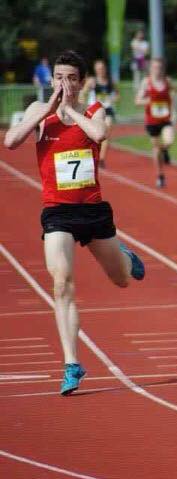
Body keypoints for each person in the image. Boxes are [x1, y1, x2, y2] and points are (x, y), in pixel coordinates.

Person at [3, 50, 145, 396]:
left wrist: (71, 113)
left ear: (81, 83)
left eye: (70, 78)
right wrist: (51, 111)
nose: (63, 84)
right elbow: (10, 141)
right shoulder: (40, 112)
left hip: (92, 211)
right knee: (62, 282)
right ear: (51, 81)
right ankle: (71, 363)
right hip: (58, 212)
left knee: (122, 280)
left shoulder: (93, 110)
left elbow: (99, 134)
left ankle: (125, 258)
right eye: (58, 77)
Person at [135, 58, 174, 188]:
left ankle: (165, 150)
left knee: (169, 141)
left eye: (159, 67)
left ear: (162, 69)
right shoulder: (146, 82)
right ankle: (160, 175)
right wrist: (148, 101)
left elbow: (174, 91)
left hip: (165, 119)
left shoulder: (167, 81)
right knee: (156, 150)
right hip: (152, 121)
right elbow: (137, 100)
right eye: (155, 67)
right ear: (151, 69)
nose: (157, 70)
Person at [80, 60, 118, 168]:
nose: (101, 70)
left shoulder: (111, 81)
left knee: (106, 132)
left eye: (102, 68)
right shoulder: (92, 81)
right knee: (92, 135)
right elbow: (83, 93)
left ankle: (101, 158)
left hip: (107, 110)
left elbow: (117, 94)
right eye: (98, 68)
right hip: (95, 111)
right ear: (96, 70)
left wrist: (114, 98)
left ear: (105, 69)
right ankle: (90, 154)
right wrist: (83, 105)